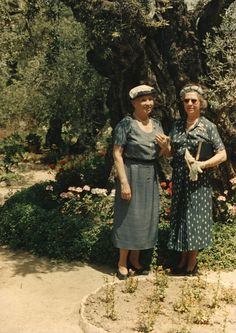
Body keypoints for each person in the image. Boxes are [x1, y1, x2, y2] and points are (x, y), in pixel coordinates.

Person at [156, 83, 227, 275]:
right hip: (180, 178)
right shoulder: (177, 125)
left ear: (200, 103)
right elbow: (171, 153)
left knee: (194, 218)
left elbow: (222, 154)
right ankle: (181, 260)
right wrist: (164, 147)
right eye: (186, 100)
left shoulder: (208, 126)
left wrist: (202, 165)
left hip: (198, 181)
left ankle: (191, 263)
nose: (190, 104)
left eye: (193, 100)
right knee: (181, 217)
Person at [112, 84, 164, 280]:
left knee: (146, 217)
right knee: (128, 216)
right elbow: (117, 154)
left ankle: (136, 259)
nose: (148, 103)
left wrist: (166, 146)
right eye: (143, 100)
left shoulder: (157, 124)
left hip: (150, 173)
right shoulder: (126, 124)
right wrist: (124, 182)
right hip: (131, 172)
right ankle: (122, 262)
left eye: (150, 99)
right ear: (134, 102)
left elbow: (163, 154)